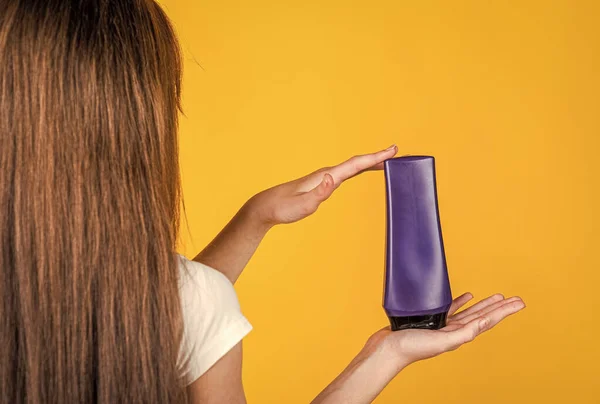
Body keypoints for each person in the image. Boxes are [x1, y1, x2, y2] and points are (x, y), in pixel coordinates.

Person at [0, 1, 525, 403]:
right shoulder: (190, 301)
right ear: (133, 128)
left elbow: (159, 317)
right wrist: (385, 356)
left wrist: (255, 219)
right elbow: (179, 314)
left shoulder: (168, 302)